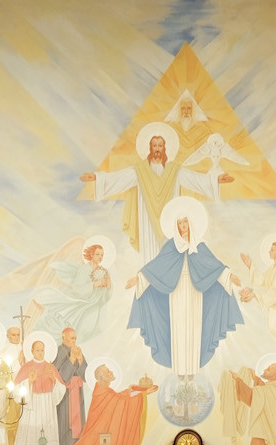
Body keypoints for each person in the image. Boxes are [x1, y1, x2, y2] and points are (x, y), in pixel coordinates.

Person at [127, 197, 244, 377]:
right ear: (176, 226)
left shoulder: (199, 246)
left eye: (185, 222)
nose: (183, 226)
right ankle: (180, 371)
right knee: (178, 328)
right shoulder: (170, 246)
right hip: (176, 291)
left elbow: (214, 266)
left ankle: (192, 370)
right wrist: (138, 278)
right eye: (180, 223)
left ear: (190, 223)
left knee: (194, 329)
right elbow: (157, 266)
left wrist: (230, 276)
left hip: (195, 291)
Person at [81, 124, 230, 262]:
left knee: (171, 254)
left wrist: (215, 180)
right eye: (154, 146)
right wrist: (97, 178)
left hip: (170, 219)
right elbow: (119, 178)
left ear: (165, 148)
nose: (157, 149)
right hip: (147, 220)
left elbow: (195, 179)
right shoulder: (140, 171)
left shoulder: (174, 170)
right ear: (150, 148)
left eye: (160, 145)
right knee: (150, 254)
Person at [60, 359, 157, 445]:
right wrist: (142, 395)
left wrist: (129, 391)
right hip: (97, 433)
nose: (111, 372)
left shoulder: (104, 389)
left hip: (103, 429)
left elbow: (116, 398)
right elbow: (117, 401)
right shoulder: (101, 391)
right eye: (108, 372)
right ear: (101, 377)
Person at [12, 336, 65, 445]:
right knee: (30, 436)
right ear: (32, 351)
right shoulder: (27, 367)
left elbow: (61, 388)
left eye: (42, 350)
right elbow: (16, 389)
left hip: (47, 404)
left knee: (48, 436)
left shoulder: (50, 367)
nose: (40, 353)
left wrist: (54, 381)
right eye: (37, 350)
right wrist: (29, 382)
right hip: (32, 405)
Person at [53, 328, 87, 445]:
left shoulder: (77, 350)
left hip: (78, 393)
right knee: (65, 422)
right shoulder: (58, 351)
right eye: (71, 338)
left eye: (75, 338)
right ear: (63, 337)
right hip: (64, 394)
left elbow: (85, 376)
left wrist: (80, 359)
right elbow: (61, 377)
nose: (74, 340)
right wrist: (72, 359)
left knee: (79, 423)